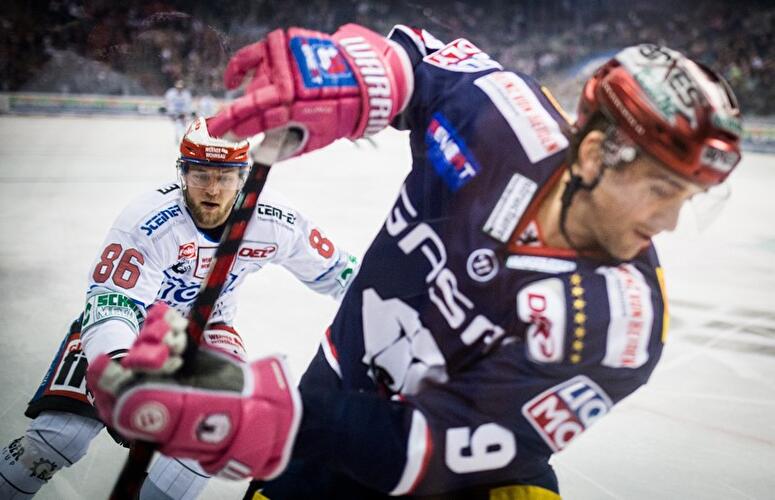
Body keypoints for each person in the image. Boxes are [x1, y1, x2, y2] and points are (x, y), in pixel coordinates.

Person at [86, 23, 743, 499]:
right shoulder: (501, 119)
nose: (668, 222)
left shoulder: (619, 325)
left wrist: (272, 415)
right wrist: (366, 78)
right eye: (661, 190)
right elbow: (419, 68)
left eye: (686, 197)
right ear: (595, 155)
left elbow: (442, 445)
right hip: (324, 417)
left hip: (445, 480)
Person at [0, 117, 359, 499]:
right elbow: (112, 300)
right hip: (136, 327)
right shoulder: (148, 220)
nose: (213, 189)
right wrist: (123, 371)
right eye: (201, 175)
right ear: (182, 173)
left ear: (244, 177)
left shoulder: (276, 221)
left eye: (225, 176)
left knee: (209, 437)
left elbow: (341, 272)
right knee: (58, 438)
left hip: (209, 330)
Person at [164, 79, 195, 144]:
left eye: (181, 87)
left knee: (184, 126)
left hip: (183, 113)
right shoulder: (171, 93)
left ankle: (183, 138)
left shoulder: (186, 94)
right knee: (177, 126)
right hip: (174, 113)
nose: (179, 89)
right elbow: (168, 103)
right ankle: (177, 138)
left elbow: (188, 104)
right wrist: (170, 113)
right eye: (178, 87)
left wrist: (186, 113)